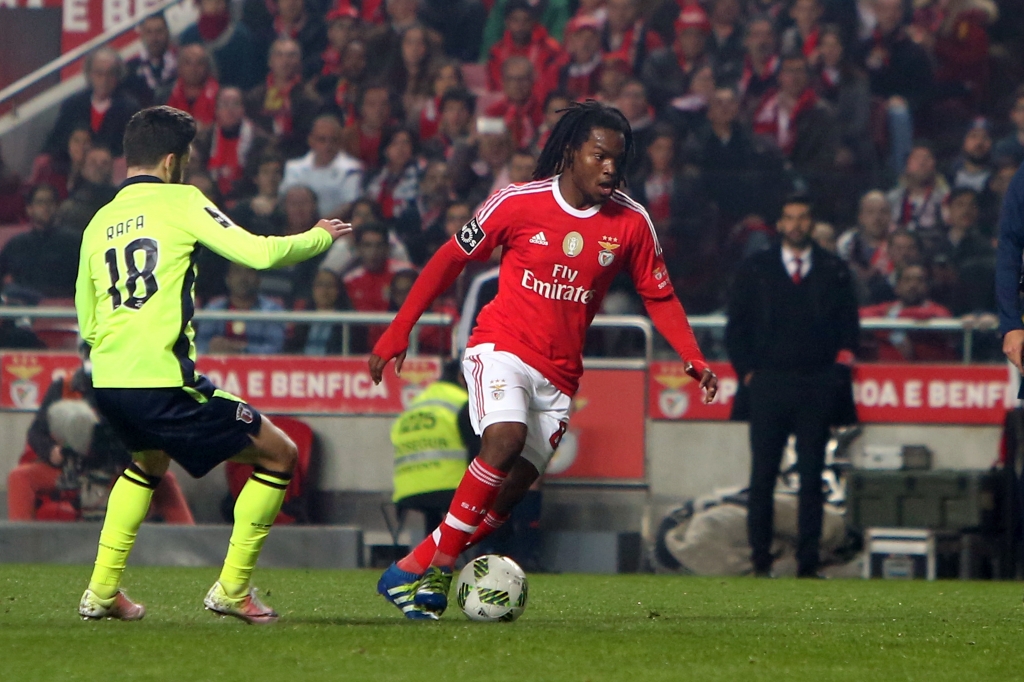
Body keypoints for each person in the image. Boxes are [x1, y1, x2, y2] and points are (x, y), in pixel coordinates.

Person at [370, 101, 717, 619]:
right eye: (599, 156)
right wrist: (399, 329)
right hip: (500, 346)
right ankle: (440, 570)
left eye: (618, 161)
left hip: (559, 376)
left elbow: (659, 296)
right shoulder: (516, 202)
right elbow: (450, 259)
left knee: (507, 498)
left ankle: (405, 571)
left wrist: (691, 356)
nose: (610, 169)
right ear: (572, 153)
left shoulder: (631, 222)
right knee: (503, 439)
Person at [74, 106, 349, 623]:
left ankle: (103, 591)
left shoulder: (99, 221)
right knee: (279, 454)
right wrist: (318, 236)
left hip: (108, 380)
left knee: (147, 463)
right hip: (162, 379)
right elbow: (260, 255)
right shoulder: (181, 200)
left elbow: (87, 319)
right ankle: (233, 589)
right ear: (173, 160)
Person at [725, 195, 859, 579]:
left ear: (811, 223)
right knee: (763, 474)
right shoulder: (756, 269)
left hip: (816, 383)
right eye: (789, 218)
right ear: (779, 225)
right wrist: (747, 372)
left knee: (813, 476)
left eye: (803, 218)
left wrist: (836, 373)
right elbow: (737, 327)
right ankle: (760, 560)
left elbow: (849, 329)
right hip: (768, 382)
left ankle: (808, 562)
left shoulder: (834, 270)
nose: (796, 225)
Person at [7, 360, 194, 524]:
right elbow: (36, 432)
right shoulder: (63, 387)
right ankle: (20, 545)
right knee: (20, 477)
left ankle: (193, 550)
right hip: (69, 467)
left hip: (119, 468)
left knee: (165, 480)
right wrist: (51, 451)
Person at [390, 359, 470, 537]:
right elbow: (479, 454)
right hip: (451, 489)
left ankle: (432, 557)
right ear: (462, 378)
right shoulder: (463, 402)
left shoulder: (417, 403)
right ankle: (490, 554)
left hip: (407, 491)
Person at [44, 48, 139, 158]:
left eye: (111, 73)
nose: (104, 79)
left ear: (118, 76)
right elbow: (54, 142)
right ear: (89, 74)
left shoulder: (129, 108)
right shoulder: (73, 104)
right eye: (99, 73)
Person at [859, 263, 955, 361]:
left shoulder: (937, 310)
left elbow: (941, 317)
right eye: (907, 280)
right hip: (887, 372)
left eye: (919, 280)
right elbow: (860, 314)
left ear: (926, 287)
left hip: (927, 372)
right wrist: (890, 331)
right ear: (897, 288)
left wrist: (891, 320)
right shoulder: (887, 308)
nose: (913, 285)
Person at [0, 185, 80, 299]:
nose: (45, 207)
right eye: (40, 202)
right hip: (24, 308)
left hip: (64, 307)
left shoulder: (74, 241)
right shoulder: (17, 244)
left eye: (50, 202)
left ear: (58, 207)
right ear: (29, 209)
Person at [279, 114, 363, 218]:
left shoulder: (352, 169)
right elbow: (286, 200)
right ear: (311, 140)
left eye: (333, 140)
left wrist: (319, 228)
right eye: (322, 140)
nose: (328, 145)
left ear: (341, 141)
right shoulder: (294, 168)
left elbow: (349, 205)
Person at [195, 264, 288, 355]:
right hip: (218, 368)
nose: (243, 278)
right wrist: (212, 347)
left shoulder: (272, 310)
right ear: (227, 279)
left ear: (259, 279)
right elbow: (201, 347)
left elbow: (275, 349)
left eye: (249, 271)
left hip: (258, 368)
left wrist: (240, 350)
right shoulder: (213, 308)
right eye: (237, 271)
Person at [122, 14, 178, 107]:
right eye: (149, 32)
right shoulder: (130, 67)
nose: (154, 38)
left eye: (159, 31)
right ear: (142, 36)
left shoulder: (181, 62)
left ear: (167, 33)